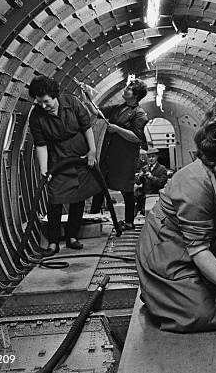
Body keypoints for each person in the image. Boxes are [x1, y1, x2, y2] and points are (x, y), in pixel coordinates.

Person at [136, 96, 216, 333]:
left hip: (203, 248)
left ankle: (175, 294)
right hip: (166, 250)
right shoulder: (196, 181)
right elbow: (198, 249)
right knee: (201, 314)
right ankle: (157, 293)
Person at [28, 76, 102, 256]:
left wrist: (92, 151)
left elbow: (86, 127)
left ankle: (72, 237)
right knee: (55, 200)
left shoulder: (72, 102)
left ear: (55, 96)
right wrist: (44, 169)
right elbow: (41, 144)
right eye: (39, 103)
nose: (43, 106)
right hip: (57, 160)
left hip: (81, 157)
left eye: (46, 102)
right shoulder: (36, 116)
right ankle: (53, 242)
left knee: (78, 198)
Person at [87, 79, 149, 230]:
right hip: (109, 155)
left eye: (129, 88)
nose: (125, 89)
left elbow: (136, 137)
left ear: (135, 95)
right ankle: (92, 219)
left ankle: (129, 222)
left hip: (124, 158)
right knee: (100, 186)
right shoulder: (119, 108)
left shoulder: (139, 114)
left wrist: (117, 129)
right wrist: (87, 96)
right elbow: (96, 111)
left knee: (126, 189)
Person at [134, 148, 168, 215]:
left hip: (155, 196)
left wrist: (151, 177)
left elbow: (161, 183)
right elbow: (137, 182)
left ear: (157, 157)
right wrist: (140, 176)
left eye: (153, 157)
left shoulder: (162, 169)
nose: (151, 159)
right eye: (149, 157)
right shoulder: (145, 168)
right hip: (144, 196)